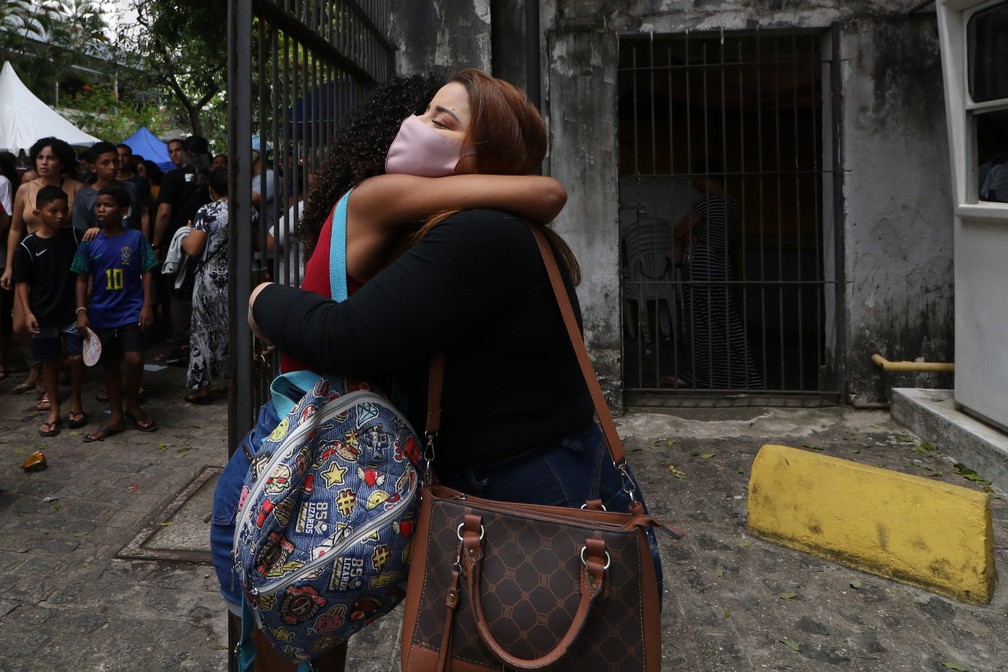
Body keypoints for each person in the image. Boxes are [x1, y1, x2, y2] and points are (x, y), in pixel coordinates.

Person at [245, 69, 660, 671]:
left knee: (542, 647)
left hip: (533, 484)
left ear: (486, 157)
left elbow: (349, 336)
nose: (415, 127)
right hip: (503, 476)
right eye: (422, 114)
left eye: (443, 122)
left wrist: (263, 299)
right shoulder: (463, 228)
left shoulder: (480, 234)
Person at [71, 185, 158, 441]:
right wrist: (81, 310)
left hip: (130, 310)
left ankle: (133, 404)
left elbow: (148, 270)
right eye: (98, 205)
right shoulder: (90, 241)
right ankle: (117, 415)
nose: (101, 210)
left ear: (123, 211)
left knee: (134, 358)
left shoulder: (135, 238)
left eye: (107, 205)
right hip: (101, 313)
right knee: (109, 365)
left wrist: (147, 304)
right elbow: (80, 277)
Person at [1, 137, 86, 396]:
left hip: (63, 264)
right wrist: (8, 267)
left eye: (50, 157)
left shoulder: (77, 188)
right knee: (21, 325)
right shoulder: (26, 189)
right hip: (30, 260)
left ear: (62, 162)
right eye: (40, 157)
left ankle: (53, 369)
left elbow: (82, 229)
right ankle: (38, 367)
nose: (44, 162)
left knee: (60, 321)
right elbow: (16, 229)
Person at [673, 158, 762, 389]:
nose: (694, 182)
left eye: (696, 178)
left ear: (708, 178)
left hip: (701, 267)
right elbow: (718, 234)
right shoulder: (730, 204)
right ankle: (742, 376)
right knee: (725, 322)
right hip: (721, 266)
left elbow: (679, 229)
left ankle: (702, 378)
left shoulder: (705, 204)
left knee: (700, 325)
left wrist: (690, 237)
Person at [11, 185, 86, 435]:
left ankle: (76, 399)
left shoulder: (75, 236)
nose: (59, 216)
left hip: (71, 311)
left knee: (76, 358)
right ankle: (55, 409)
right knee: (49, 363)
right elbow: (22, 283)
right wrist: (28, 312)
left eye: (64, 210)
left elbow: (87, 266)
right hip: (43, 314)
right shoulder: (28, 245)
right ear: (38, 212)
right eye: (53, 211)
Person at [180, 168, 245, 404]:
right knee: (236, 331)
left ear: (211, 190)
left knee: (202, 333)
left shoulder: (207, 211)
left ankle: (201, 388)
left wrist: (186, 233)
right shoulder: (248, 209)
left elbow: (193, 248)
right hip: (238, 280)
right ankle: (236, 382)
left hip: (209, 280)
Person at [153, 135, 212, 365]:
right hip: (211, 243)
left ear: (186, 152)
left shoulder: (173, 177)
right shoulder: (214, 178)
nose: (174, 155)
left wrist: (157, 243)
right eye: (171, 151)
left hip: (181, 241)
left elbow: (164, 212)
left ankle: (183, 344)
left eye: (178, 150)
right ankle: (204, 341)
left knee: (177, 291)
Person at [72, 142, 147, 236]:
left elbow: (141, 216)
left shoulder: (130, 188)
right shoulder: (84, 196)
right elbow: (80, 231)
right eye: (105, 163)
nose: (112, 167)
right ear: (93, 168)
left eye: (115, 162)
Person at [0, 150, 18, 383]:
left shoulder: (2, 182)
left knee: (1, 313)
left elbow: (7, 221)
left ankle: (2, 361)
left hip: (1, 259)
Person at [116, 143, 154, 233]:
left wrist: (145, 242)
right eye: (118, 155)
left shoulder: (140, 182)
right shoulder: (107, 181)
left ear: (131, 159)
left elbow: (145, 214)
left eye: (125, 155)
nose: (121, 159)